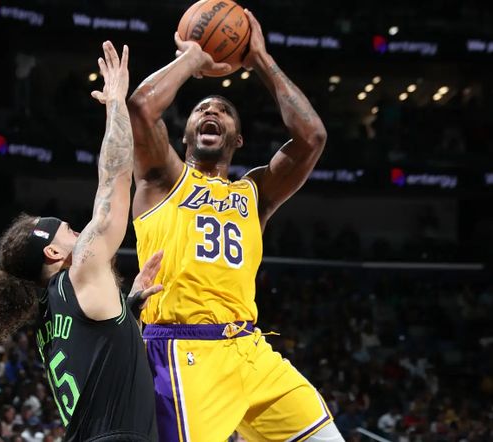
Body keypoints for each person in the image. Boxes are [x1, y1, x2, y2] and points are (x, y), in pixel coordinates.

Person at [127, 9, 343, 442]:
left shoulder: (255, 192)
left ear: (238, 139)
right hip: (183, 348)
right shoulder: (163, 179)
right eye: (202, 109)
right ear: (185, 134)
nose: (212, 110)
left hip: (250, 348)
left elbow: (312, 138)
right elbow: (141, 108)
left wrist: (260, 58)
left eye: (224, 111)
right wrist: (193, 57)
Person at [0, 41, 160, 442]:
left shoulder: (48, 317)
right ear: (53, 252)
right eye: (70, 230)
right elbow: (115, 178)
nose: (79, 233)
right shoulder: (80, 273)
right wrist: (116, 103)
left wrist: (127, 309)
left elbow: (96, 357)